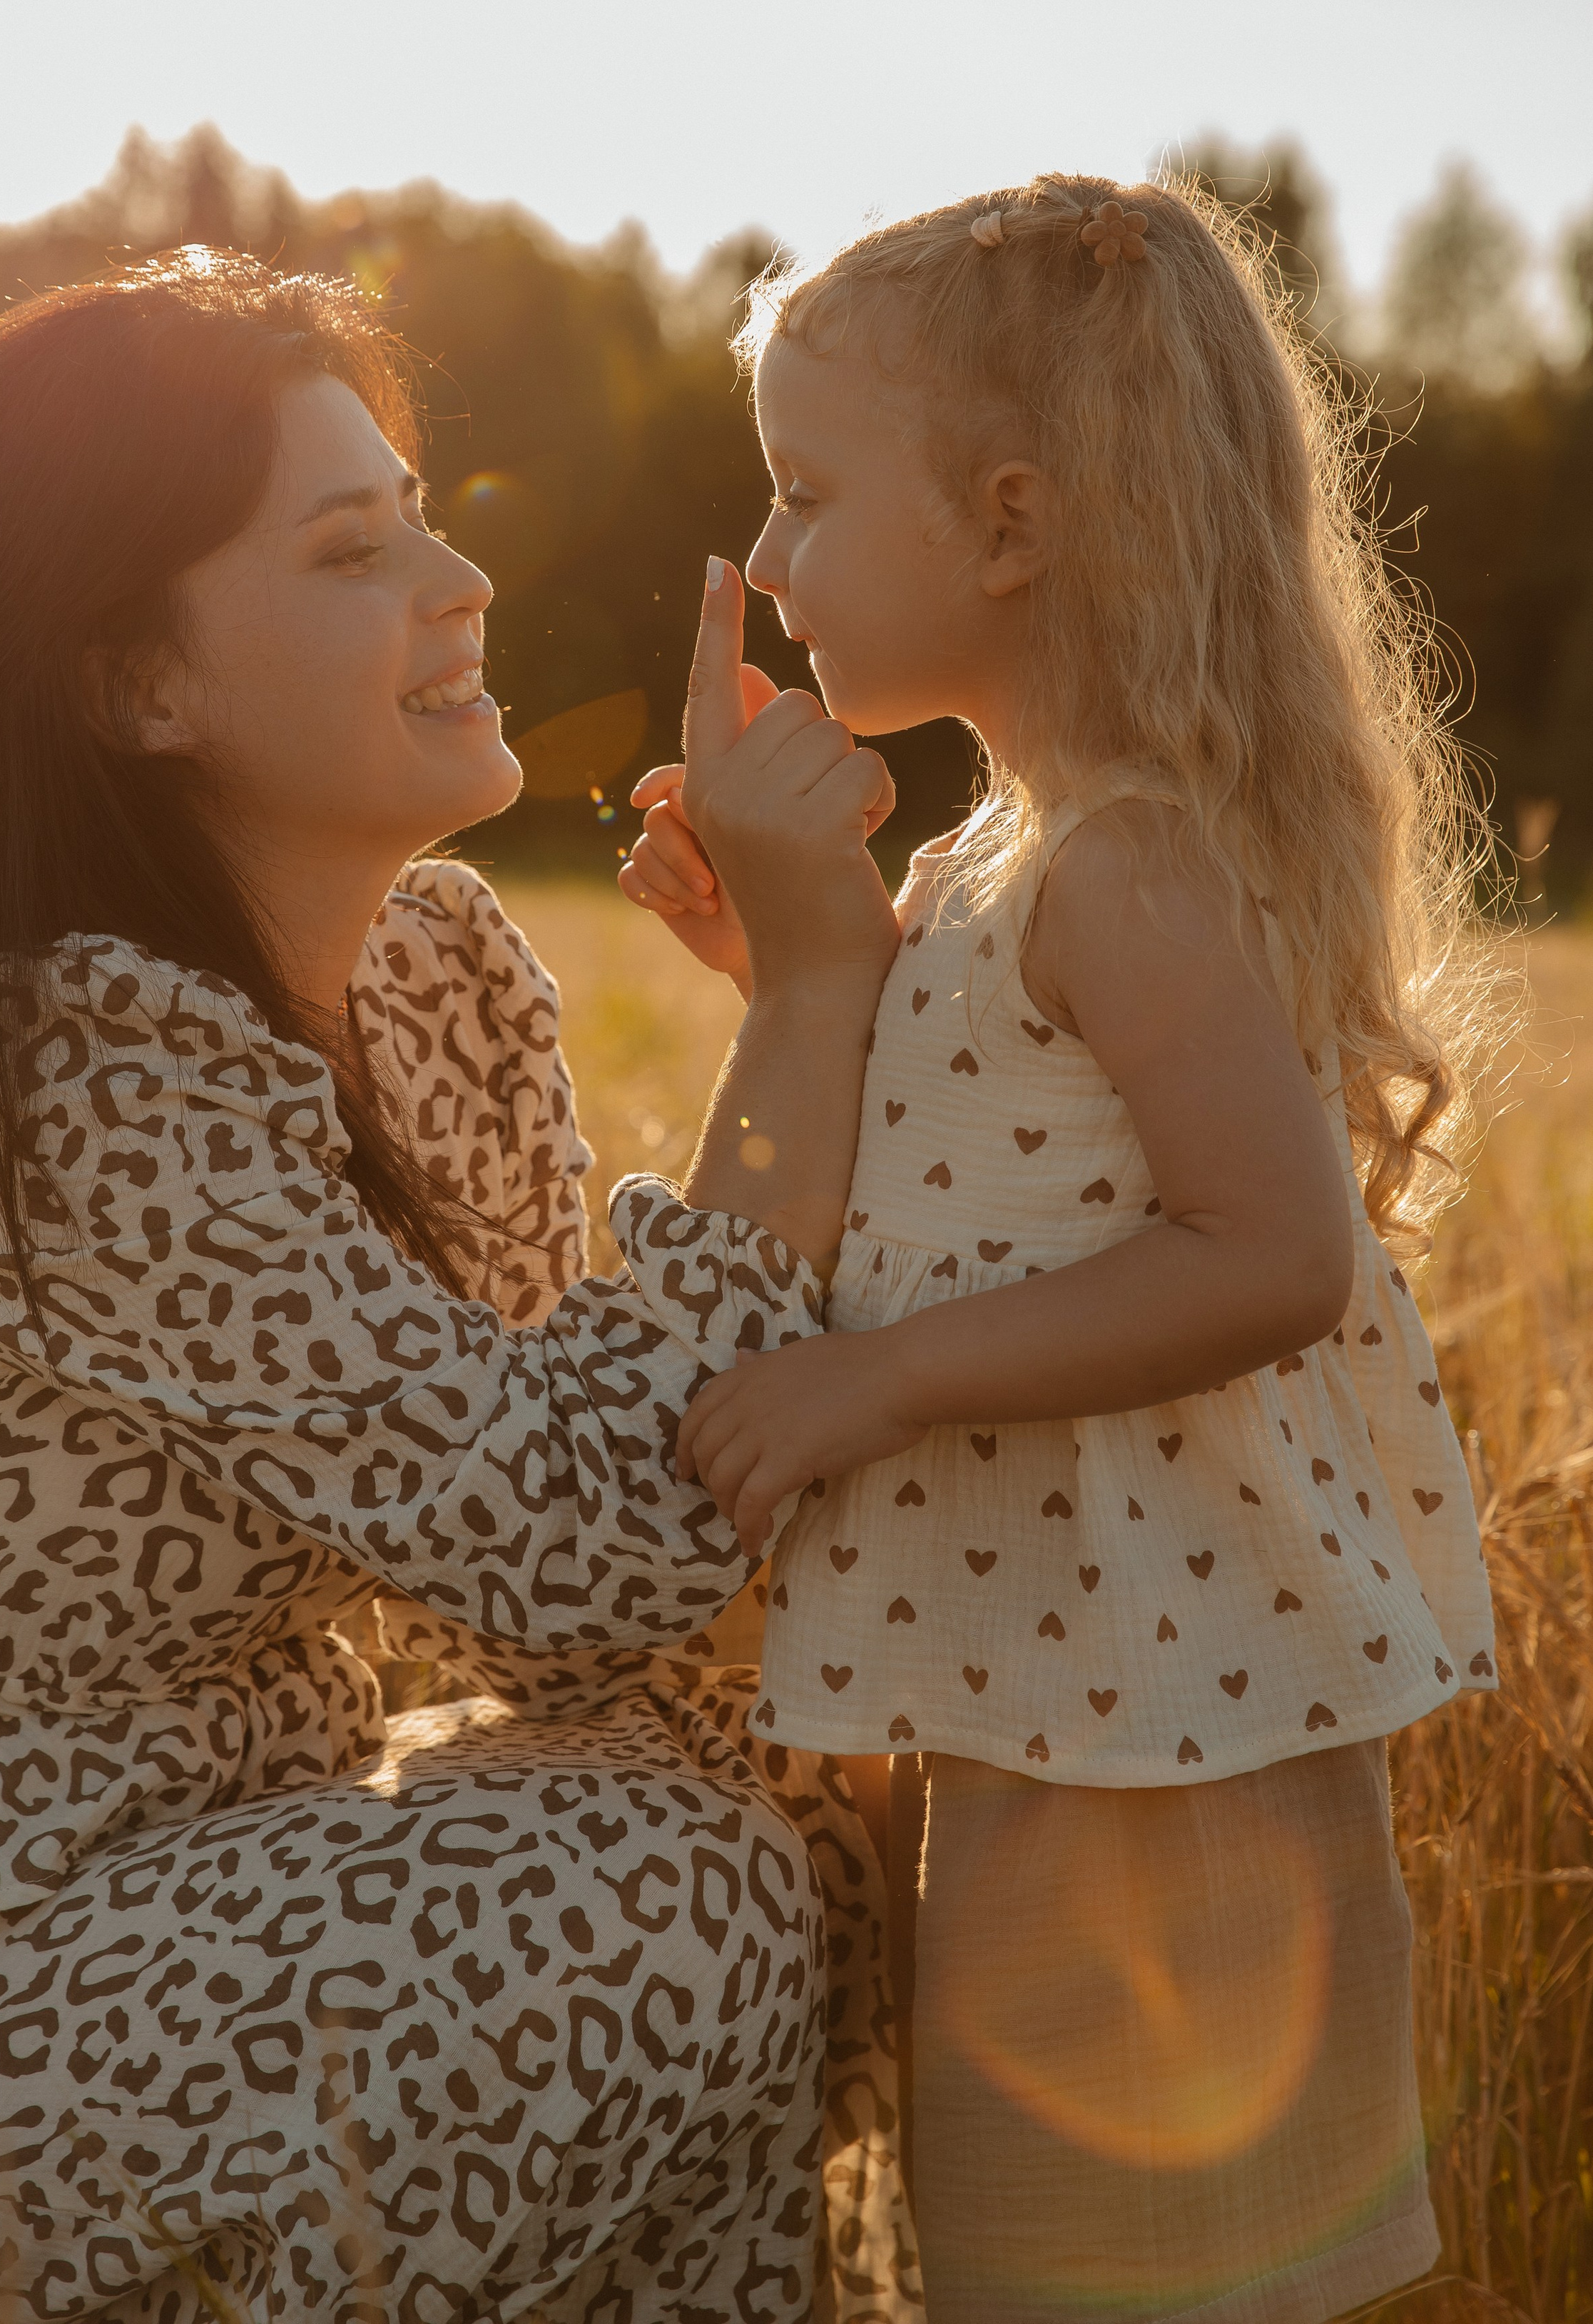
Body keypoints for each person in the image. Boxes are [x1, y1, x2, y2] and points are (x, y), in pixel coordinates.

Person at [0, 253, 921, 2324]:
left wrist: (826, 1000)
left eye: (424, 512)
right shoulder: (50, 1069)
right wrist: (819, 995)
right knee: (645, 1896)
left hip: (213, 1895)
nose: (460, 582)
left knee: (798, 1784)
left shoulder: (447, 975)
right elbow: (583, 1550)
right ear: (141, 687)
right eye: (349, 546)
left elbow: (586, 1587)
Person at [621, 178, 1506, 2323]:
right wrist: (786, 972)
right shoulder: (1001, 854)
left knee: (1167, 2275)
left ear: (1012, 525)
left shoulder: (1124, 869)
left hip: (1174, 1730)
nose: (767, 564)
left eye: (812, 495)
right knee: (1042, 2263)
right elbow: (970, 1172)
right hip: (1061, 1687)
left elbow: (1270, 1256)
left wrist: (875, 1379)